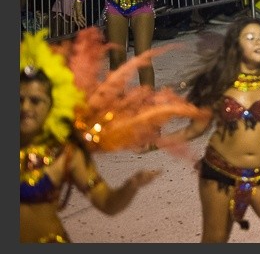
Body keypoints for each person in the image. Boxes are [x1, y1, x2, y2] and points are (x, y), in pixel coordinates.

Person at [20, 27, 205, 243]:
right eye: (19, 99)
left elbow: (107, 204)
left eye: (35, 101)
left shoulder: (65, 153)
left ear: (53, 105)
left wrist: (131, 186)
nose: (25, 107)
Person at [154, 17, 260, 243]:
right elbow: (196, 129)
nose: (259, 43)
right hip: (220, 174)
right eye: (250, 38)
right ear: (236, 45)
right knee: (215, 239)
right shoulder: (220, 81)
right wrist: (158, 143)